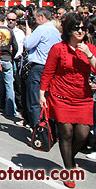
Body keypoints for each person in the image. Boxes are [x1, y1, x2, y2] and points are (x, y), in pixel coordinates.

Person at [40, 13, 96, 188]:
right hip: (61, 95)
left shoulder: (90, 48)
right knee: (66, 132)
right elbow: (48, 71)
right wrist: (42, 93)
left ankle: (70, 158)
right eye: (76, 28)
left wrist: (89, 55)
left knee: (82, 134)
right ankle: (69, 169)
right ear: (68, 30)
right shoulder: (58, 48)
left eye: (83, 28)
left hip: (83, 97)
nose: (80, 31)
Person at [24, 7, 61, 126]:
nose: (34, 21)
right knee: (47, 99)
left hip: (39, 67)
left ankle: (38, 128)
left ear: (42, 17)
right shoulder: (55, 31)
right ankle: (49, 127)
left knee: (34, 100)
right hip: (52, 68)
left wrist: (28, 33)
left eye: (35, 18)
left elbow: (28, 44)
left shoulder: (41, 29)